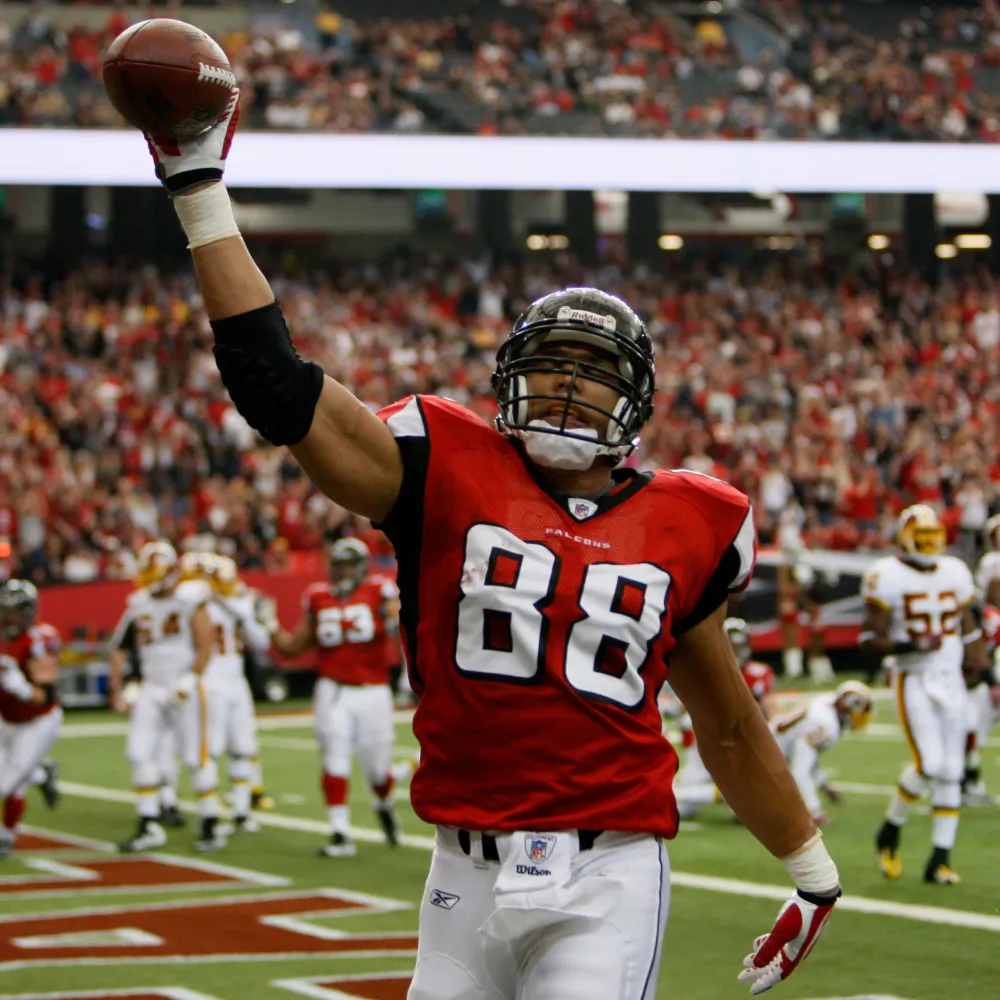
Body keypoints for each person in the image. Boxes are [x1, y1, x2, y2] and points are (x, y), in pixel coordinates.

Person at [139, 104, 841, 998]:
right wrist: (198, 186)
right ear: (510, 373)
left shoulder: (693, 519)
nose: (569, 386)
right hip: (460, 869)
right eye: (552, 364)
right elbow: (276, 385)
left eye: (596, 374)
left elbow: (730, 722)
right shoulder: (440, 462)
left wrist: (812, 873)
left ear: (636, 405)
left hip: (608, 871)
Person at [860, 504, 988, 885]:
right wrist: (909, 645)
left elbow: (966, 622)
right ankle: (890, 829)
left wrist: (976, 655)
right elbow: (868, 639)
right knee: (929, 764)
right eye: (923, 538)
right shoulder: (886, 575)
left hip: (951, 676)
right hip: (914, 678)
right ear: (904, 538)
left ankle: (940, 858)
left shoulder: (955, 571)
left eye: (935, 538)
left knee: (953, 769)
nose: (929, 545)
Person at [272, 538, 404, 856]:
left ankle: (384, 802)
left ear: (360, 567)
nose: (341, 571)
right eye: (337, 565)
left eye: (347, 565)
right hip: (332, 691)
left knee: (377, 771)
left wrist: (395, 624)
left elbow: (401, 628)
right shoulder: (318, 597)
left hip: (373, 690)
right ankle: (340, 832)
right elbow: (293, 648)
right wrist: (269, 625)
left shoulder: (379, 591)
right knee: (335, 758)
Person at [108, 541, 220, 853]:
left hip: (183, 684)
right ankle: (148, 823)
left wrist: (191, 676)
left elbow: (206, 643)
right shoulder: (139, 602)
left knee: (195, 756)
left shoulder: (190, 598)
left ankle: (211, 823)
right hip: (152, 686)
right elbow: (119, 647)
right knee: (139, 752)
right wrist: (118, 688)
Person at [674, 618, 779, 819]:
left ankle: (739, 792)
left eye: (737, 646)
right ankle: (688, 790)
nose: (734, 652)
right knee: (682, 809)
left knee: (750, 813)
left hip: (741, 744)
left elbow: (773, 713)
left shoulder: (759, 672)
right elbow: (682, 710)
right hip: (705, 743)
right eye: (729, 646)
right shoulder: (703, 670)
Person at [198, 553, 273, 832]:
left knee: (243, 746)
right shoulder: (197, 605)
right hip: (212, 680)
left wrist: (244, 614)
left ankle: (241, 811)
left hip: (235, 680)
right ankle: (210, 814)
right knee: (211, 749)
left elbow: (261, 641)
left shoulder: (235, 605)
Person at [0, 581, 62, 858]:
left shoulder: (36, 642)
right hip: (6, 717)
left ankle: (5, 835)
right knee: (15, 777)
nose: (7, 616)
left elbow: (46, 696)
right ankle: (40, 773)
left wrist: (22, 688)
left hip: (37, 720)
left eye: (12, 611)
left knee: (8, 781)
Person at [769, 681, 874, 827]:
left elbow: (807, 755)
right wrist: (814, 811)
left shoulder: (825, 702)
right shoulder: (826, 725)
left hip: (769, 741)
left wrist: (824, 784)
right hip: (763, 752)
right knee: (761, 807)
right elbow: (800, 769)